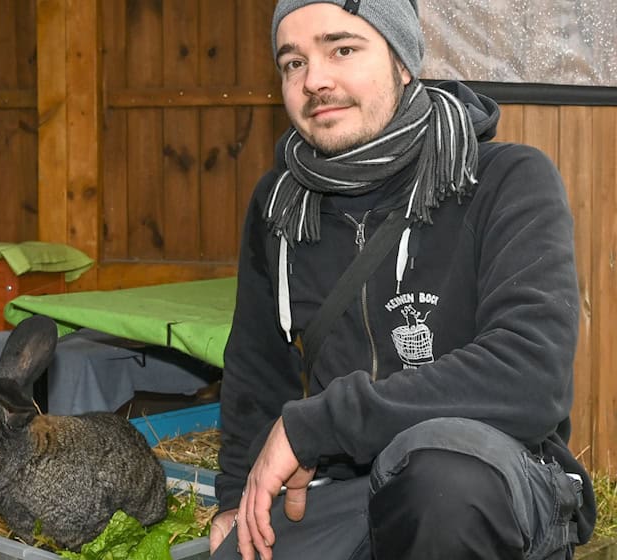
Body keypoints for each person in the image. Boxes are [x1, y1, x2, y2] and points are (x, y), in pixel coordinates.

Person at [209, 1, 596, 559]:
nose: (315, 79)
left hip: (494, 482)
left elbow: (529, 376)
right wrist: (232, 500)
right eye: (293, 63)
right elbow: (257, 367)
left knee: (440, 481)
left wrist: (318, 425)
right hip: (342, 488)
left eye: (342, 49)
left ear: (403, 60)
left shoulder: (507, 180)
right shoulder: (279, 203)